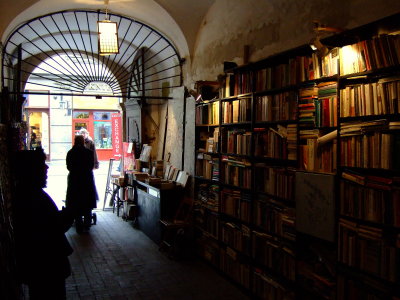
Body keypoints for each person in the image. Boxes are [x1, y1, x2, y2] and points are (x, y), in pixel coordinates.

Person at [12, 148, 74, 300]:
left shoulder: (27, 193)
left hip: (41, 267)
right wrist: (66, 216)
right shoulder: (31, 197)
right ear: (31, 170)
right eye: (42, 165)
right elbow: (48, 230)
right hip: (46, 267)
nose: (46, 168)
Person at [66, 135, 98, 233]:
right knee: (87, 203)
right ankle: (87, 224)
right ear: (83, 142)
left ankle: (79, 224)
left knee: (76, 203)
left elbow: (69, 167)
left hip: (74, 180)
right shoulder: (88, 153)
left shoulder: (70, 153)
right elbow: (91, 166)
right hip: (87, 180)